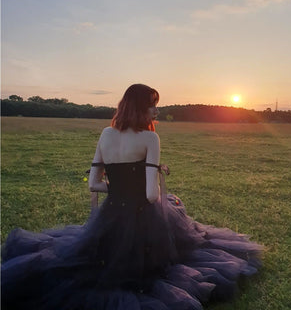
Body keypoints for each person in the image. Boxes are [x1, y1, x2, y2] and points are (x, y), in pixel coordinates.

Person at [1, 84, 263, 310]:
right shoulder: (150, 138)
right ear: (140, 108)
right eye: (152, 106)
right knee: (176, 213)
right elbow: (151, 196)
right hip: (142, 220)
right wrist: (159, 186)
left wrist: (120, 190)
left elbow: (93, 184)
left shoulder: (106, 134)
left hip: (110, 218)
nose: (156, 111)